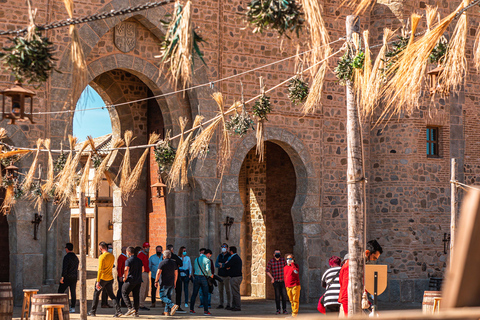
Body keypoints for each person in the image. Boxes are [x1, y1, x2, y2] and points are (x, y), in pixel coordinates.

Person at [338, 240, 383, 315]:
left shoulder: (359, 266)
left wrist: (370, 307)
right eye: (374, 258)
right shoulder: (351, 266)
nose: (373, 261)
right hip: (349, 307)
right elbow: (346, 295)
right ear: (367, 253)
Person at [88, 242, 122, 317]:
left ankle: (92, 311)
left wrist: (98, 281)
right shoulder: (112, 256)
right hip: (110, 278)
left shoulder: (102, 257)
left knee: (96, 295)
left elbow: (100, 270)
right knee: (112, 295)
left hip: (102, 279)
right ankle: (118, 311)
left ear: (100, 248)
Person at [190, 248, 214, 315]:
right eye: (210, 255)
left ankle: (191, 309)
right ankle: (206, 311)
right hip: (203, 278)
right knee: (205, 294)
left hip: (196, 277)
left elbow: (194, 268)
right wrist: (210, 275)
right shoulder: (207, 260)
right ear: (208, 254)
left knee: (194, 294)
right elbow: (208, 269)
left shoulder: (196, 259)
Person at [155, 250, 179, 316]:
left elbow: (158, 272)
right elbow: (176, 274)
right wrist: (175, 282)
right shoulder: (174, 263)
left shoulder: (162, 263)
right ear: (170, 256)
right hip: (171, 282)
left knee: (162, 296)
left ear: (164, 256)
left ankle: (172, 305)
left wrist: (156, 281)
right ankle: (166, 311)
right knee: (168, 297)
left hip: (164, 283)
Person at [122, 246, 143, 317]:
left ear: (129, 252)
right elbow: (143, 269)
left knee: (124, 292)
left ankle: (130, 308)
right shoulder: (139, 260)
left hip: (131, 280)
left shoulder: (128, 260)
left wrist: (125, 277)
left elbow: (126, 269)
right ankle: (136, 312)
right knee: (136, 295)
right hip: (138, 280)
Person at [58, 243, 79, 313]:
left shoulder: (66, 257)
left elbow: (65, 268)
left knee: (60, 291)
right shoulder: (75, 257)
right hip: (74, 277)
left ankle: (59, 305)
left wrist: (62, 277)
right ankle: (73, 307)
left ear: (67, 249)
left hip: (67, 277)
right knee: (73, 292)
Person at [266, 249, 288, 315]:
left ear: (280, 254)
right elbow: (267, 270)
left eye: (279, 253)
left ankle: (284, 309)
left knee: (284, 295)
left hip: (283, 281)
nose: (277, 255)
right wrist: (272, 278)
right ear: (274, 254)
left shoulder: (283, 261)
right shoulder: (271, 261)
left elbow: (287, 269)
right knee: (277, 296)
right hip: (276, 281)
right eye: (276, 253)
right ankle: (278, 309)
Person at [166, 244, 184, 311]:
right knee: (178, 292)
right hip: (176, 276)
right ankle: (177, 306)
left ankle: (168, 307)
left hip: (167, 276)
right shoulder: (175, 256)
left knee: (168, 292)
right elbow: (181, 263)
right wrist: (176, 265)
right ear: (171, 250)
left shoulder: (164, 257)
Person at [224, 246, 242, 312]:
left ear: (231, 251)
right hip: (235, 277)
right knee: (234, 292)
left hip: (235, 277)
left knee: (235, 292)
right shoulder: (236, 257)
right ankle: (234, 306)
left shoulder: (234, 258)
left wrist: (226, 265)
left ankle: (237, 306)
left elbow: (227, 265)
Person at [215, 243, 231, 310]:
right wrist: (222, 265)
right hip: (220, 275)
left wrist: (223, 265)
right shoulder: (219, 256)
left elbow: (229, 264)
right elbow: (216, 264)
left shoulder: (229, 256)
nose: (223, 248)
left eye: (224, 247)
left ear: (227, 248)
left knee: (227, 290)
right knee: (220, 290)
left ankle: (228, 304)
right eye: (222, 247)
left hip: (227, 276)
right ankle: (221, 303)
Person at [137, 242, 151, 311]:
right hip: (143, 273)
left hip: (146, 273)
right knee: (142, 289)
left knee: (146, 290)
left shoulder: (146, 255)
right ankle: (140, 304)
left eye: (148, 247)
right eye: (146, 247)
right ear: (143, 248)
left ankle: (141, 303)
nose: (148, 248)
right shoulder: (141, 255)